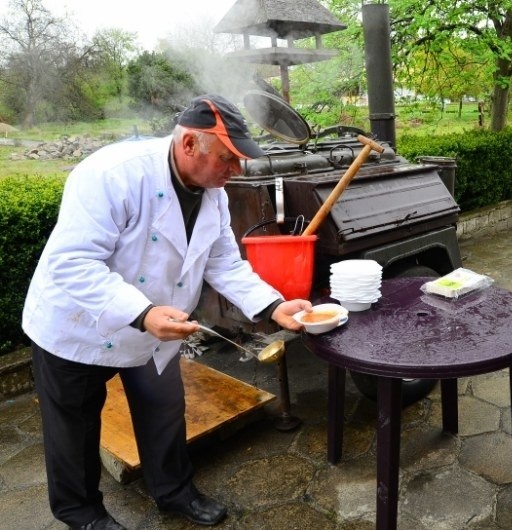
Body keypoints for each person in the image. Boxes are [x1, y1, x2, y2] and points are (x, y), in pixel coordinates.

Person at [22, 94, 312, 530]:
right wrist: (142, 313)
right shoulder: (113, 174)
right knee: (74, 427)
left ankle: (174, 491)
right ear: (190, 144)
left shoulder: (212, 193)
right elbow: (72, 263)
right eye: (227, 160)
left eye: (239, 162)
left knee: (163, 408)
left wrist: (273, 305)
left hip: (154, 327)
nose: (235, 172)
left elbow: (223, 263)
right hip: (78, 321)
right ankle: (82, 514)